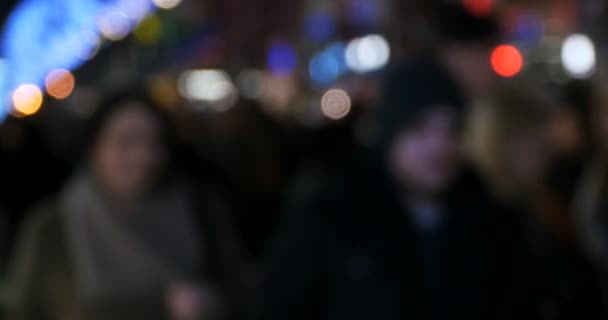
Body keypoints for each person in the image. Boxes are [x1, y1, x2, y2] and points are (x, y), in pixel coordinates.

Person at [255, 62, 532, 320]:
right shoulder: (331, 218)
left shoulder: (490, 219)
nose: (440, 145)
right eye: (420, 128)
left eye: (452, 129)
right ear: (390, 133)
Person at [2, 90, 244, 320]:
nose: (144, 158)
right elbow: (22, 310)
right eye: (126, 142)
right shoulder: (52, 227)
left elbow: (238, 291)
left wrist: (211, 304)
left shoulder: (198, 209)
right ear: (95, 147)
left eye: (155, 142)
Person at [469, 89, 604, 319]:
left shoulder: (540, 204)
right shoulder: (485, 223)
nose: (548, 154)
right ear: (508, 146)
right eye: (538, 143)